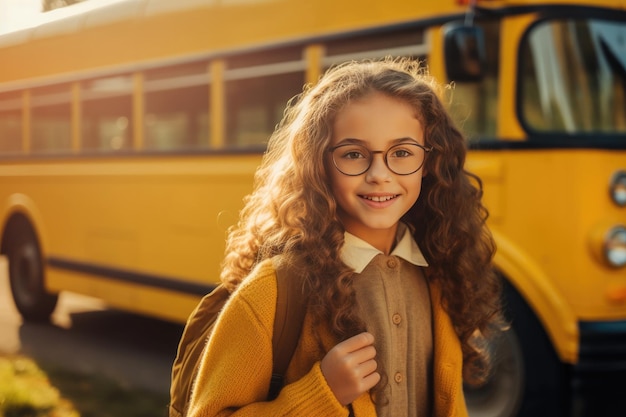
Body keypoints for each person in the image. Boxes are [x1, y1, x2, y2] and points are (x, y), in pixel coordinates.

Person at [187, 57, 504, 417]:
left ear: (430, 162)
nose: (379, 174)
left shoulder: (439, 274)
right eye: (354, 154)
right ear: (318, 163)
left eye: (402, 153)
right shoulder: (273, 291)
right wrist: (323, 395)